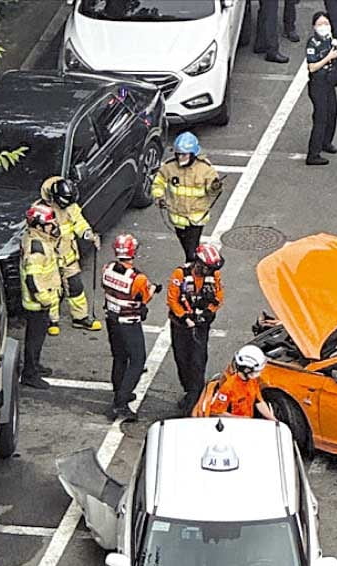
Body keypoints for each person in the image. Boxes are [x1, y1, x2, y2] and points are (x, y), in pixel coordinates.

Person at [101, 234, 158, 421]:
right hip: (129, 322)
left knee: (119, 358)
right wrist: (153, 289)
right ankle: (121, 402)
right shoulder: (137, 278)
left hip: (112, 320)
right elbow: (144, 297)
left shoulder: (107, 269)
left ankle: (119, 391)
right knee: (137, 361)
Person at [36, 176, 102, 336]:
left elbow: (79, 223)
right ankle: (52, 320)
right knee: (52, 289)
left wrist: (89, 234)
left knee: (76, 287)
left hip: (68, 255)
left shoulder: (71, 207)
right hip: (49, 258)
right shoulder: (40, 210)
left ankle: (80, 317)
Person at [168, 243, 224, 414]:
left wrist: (208, 312)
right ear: (198, 264)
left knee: (198, 361)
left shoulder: (214, 275)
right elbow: (172, 299)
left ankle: (194, 398)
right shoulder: (180, 274)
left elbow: (219, 296)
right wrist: (185, 317)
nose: (210, 271)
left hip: (201, 326)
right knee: (182, 360)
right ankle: (189, 390)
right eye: (207, 267)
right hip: (181, 326)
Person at [152, 133, 223, 262]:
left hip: (196, 218)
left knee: (192, 252)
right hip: (177, 218)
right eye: (178, 154)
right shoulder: (169, 167)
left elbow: (213, 192)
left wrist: (215, 187)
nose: (180, 158)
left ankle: (192, 270)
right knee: (187, 248)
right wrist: (159, 197)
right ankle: (193, 267)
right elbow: (159, 182)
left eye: (184, 155)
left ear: (193, 154)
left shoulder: (205, 169)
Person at [19, 204, 64, 390]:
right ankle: (29, 374)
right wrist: (45, 299)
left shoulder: (39, 239)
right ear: (38, 226)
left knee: (37, 338)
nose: (52, 227)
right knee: (34, 339)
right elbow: (33, 279)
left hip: (41, 301)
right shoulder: (37, 248)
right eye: (48, 225)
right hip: (37, 304)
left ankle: (35, 366)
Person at [305, 12, 337, 166]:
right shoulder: (313, 43)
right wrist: (328, 57)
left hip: (329, 82)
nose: (324, 26)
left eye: (326, 23)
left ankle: (326, 142)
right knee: (320, 117)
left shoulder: (332, 41)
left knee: (332, 112)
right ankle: (313, 154)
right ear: (314, 26)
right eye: (320, 24)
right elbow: (312, 67)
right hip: (318, 83)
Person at [204, 345, 275, 419]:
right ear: (246, 370)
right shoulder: (228, 387)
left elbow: (259, 402)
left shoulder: (252, 381)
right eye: (256, 371)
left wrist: (272, 418)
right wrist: (240, 418)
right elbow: (215, 413)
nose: (259, 373)